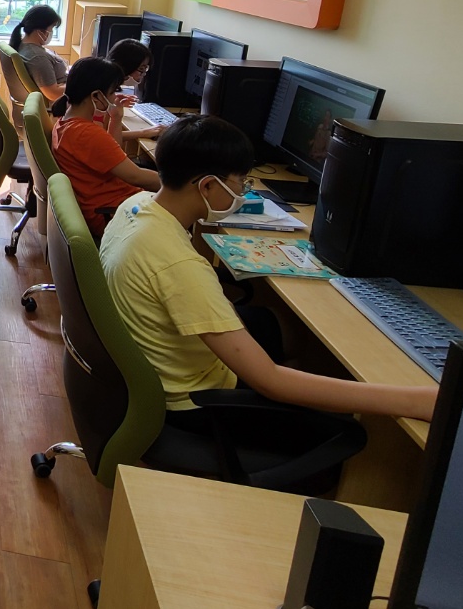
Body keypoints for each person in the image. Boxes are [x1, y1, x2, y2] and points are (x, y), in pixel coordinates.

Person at [101, 114, 438, 429]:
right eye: (240, 182)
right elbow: (271, 382)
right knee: (349, 427)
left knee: (286, 326)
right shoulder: (180, 266)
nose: (242, 192)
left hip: (159, 360)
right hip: (196, 403)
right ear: (207, 186)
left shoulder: (136, 205)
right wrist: (416, 401)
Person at [52, 58, 160, 238]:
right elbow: (135, 176)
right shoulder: (87, 133)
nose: (115, 97)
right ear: (96, 96)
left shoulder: (64, 123)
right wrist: (179, 185)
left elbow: (113, 154)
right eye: (113, 92)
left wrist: (116, 118)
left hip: (111, 206)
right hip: (114, 214)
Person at [105, 38, 168, 145]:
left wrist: (113, 102)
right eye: (141, 69)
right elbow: (106, 139)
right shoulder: (100, 96)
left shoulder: (105, 86)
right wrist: (143, 132)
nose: (143, 74)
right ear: (125, 66)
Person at [8, 4, 66, 104]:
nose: (51, 32)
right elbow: (53, 94)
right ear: (40, 31)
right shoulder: (37, 57)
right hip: (64, 103)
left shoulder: (23, 45)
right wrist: (78, 85)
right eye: (51, 28)